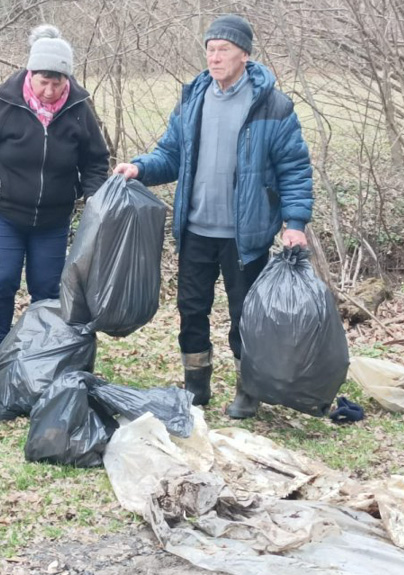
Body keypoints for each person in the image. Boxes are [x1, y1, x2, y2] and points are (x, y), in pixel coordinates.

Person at [114, 14, 313, 419]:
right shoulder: (193, 99)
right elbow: (170, 155)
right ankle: (196, 387)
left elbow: (295, 168)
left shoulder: (272, 106)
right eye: (210, 49)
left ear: (244, 54)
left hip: (247, 235)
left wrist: (295, 224)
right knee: (192, 309)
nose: (214, 57)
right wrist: (139, 168)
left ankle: (248, 388)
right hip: (196, 230)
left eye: (223, 49)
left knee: (246, 315)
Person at [0, 25, 109, 356]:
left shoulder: (78, 109)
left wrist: (94, 194)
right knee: (1, 280)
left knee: (47, 289)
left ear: (67, 80)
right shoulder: (5, 100)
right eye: (43, 81)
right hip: (3, 213)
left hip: (53, 219)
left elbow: (95, 161)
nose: (49, 90)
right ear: (30, 74)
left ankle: (38, 355)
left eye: (57, 82)